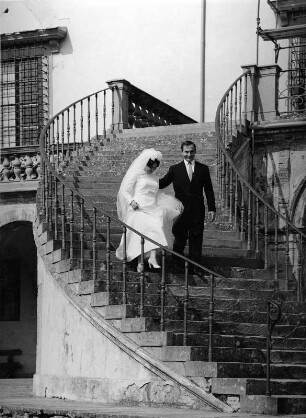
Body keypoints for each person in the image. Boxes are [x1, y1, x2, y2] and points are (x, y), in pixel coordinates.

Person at [116, 148, 183, 272]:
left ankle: (152, 257)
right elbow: (125, 190)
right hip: (139, 207)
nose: (152, 170)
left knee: (157, 225)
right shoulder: (136, 174)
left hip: (152, 206)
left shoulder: (155, 178)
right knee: (141, 232)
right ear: (145, 163)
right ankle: (140, 262)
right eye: (150, 167)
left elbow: (156, 192)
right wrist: (131, 202)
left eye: (154, 168)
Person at [159, 140, 216, 272]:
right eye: (186, 152)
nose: (189, 155)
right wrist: (147, 179)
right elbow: (162, 183)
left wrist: (212, 208)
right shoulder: (175, 169)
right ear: (182, 152)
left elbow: (208, 189)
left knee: (196, 237)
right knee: (179, 237)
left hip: (197, 210)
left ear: (195, 152)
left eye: (191, 152)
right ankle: (177, 264)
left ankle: (195, 267)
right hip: (180, 210)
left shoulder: (203, 169)